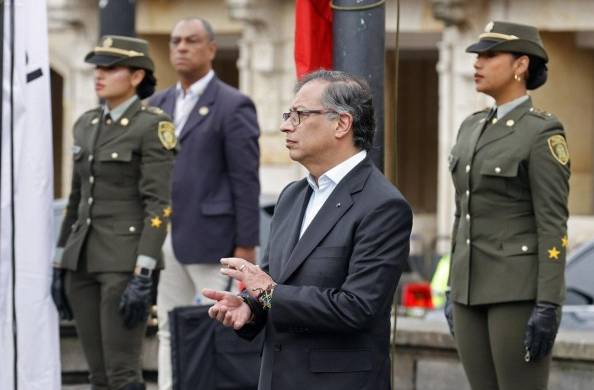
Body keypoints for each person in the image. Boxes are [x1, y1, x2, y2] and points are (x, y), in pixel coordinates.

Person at [203, 70, 413, 390]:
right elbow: (275, 279)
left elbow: (357, 308)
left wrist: (269, 294)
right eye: (289, 115)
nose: (287, 125)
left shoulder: (382, 205)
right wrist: (249, 306)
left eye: (300, 115)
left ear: (342, 124)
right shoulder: (292, 195)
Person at [444, 21, 570, 390]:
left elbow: (552, 224)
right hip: (469, 289)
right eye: (477, 56)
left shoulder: (541, 131)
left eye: (490, 55)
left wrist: (548, 304)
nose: (477, 64)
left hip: (517, 292)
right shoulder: (471, 127)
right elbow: (461, 214)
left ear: (521, 64)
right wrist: (453, 288)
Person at [50, 36, 176, 390]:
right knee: (98, 374)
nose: (99, 75)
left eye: (110, 68)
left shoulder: (152, 125)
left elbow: (158, 204)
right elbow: (76, 199)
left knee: (122, 372)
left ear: (137, 76)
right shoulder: (86, 124)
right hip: (82, 260)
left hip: (124, 263)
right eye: (97, 68)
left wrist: (143, 272)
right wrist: (60, 261)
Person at [148, 17, 260, 390]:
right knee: (168, 327)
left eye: (191, 40)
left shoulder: (233, 104)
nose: (181, 47)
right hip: (166, 238)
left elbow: (245, 180)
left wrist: (246, 245)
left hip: (215, 242)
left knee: (220, 328)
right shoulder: (158, 103)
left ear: (211, 48)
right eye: (175, 41)